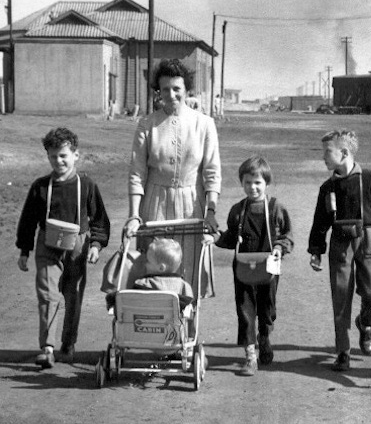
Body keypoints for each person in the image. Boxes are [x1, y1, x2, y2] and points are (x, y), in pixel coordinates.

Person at [16, 128, 110, 369]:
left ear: (75, 155)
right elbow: (27, 221)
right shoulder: (41, 187)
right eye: (53, 156)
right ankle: (47, 348)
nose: (58, 161)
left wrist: (96, 245)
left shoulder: (86, 185)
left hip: (77, 246)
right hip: (48, 245)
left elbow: (99, 218)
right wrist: (24, 251)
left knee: (73, 295)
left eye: (63, 156)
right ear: (47, 156)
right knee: (48, 295)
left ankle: (67, 344)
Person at [308, 130, 371, 372]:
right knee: (340, 299)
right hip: (340, 244)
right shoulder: (327, 188)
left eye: (328, 152)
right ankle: (343, 352)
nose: (323, 158)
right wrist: (316, 250)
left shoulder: (369, 179)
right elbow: (320, 222)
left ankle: (365, 322)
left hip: (367, 239)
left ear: (345, 152)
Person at [215, 156, 294, 376]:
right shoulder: (238, 210)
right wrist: (216, 238)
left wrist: (279, 248)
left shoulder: (276, 207)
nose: (253, 187)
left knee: (267, 309)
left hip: (268, 267)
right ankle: (250, 356)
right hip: (243, 267)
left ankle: (265, 337)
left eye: (257, 182)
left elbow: (287, 235)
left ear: (267, 183)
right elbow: (231, 238)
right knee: (245, 311)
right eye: (248, 182)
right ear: (242, 183)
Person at [127, 58, 221, 235]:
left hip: (194, 207)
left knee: (191, 261)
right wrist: (133, 216)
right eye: (165, 89)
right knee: (155, 261)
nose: (171, 95)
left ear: (186, 89)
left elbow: (212, 172)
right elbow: (137, 173)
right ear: (158, 91)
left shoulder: (205, 124)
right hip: (155, 206)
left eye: (176, 88)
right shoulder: (147, 124)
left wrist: (210, 212)